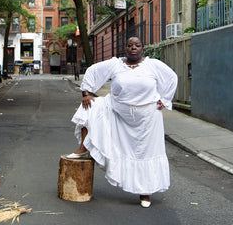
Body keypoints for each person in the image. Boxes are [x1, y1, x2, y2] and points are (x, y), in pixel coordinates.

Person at [66, 37, 178, 208]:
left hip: (147, 118)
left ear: (143, 48)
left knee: (144, 153)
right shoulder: (115, 64)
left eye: (137, 45)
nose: (133, 48)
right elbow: (93, 71)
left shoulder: (153, 65)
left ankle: (145, 193)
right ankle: (83, 148)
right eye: (130, 45)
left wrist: (165, 99)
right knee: (90, 107)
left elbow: (172, 78)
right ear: (125, 48)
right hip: (118, 111)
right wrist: (86, 93)